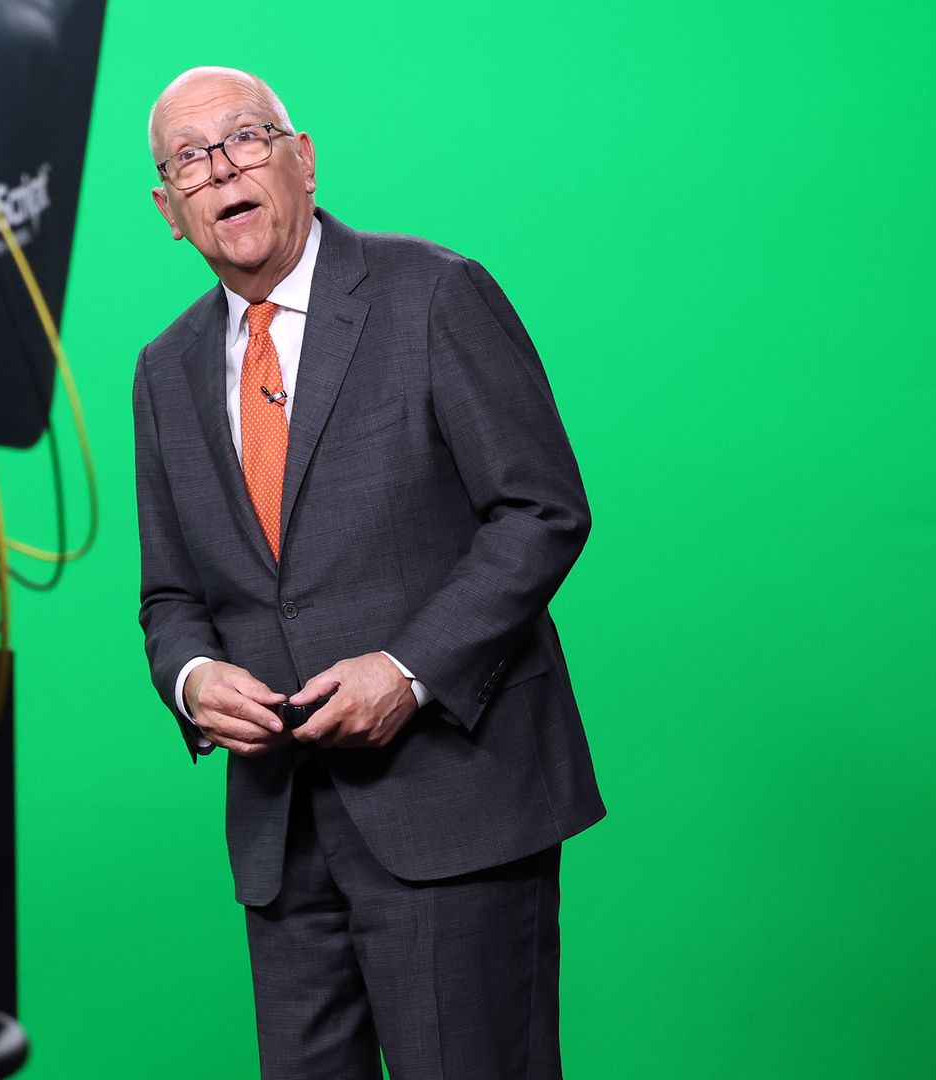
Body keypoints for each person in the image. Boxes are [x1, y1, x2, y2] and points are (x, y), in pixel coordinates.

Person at [133, 66, 605, 1079]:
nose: (222, 171)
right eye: (189, 160)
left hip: (456, 807)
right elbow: (171, 595)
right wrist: (194, 680)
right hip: (281, 836)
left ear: (302, 160)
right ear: (170, 211)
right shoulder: (164, 370)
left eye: (245, 139)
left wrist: (407, 669)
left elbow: (541, 510)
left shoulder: (433, 292)